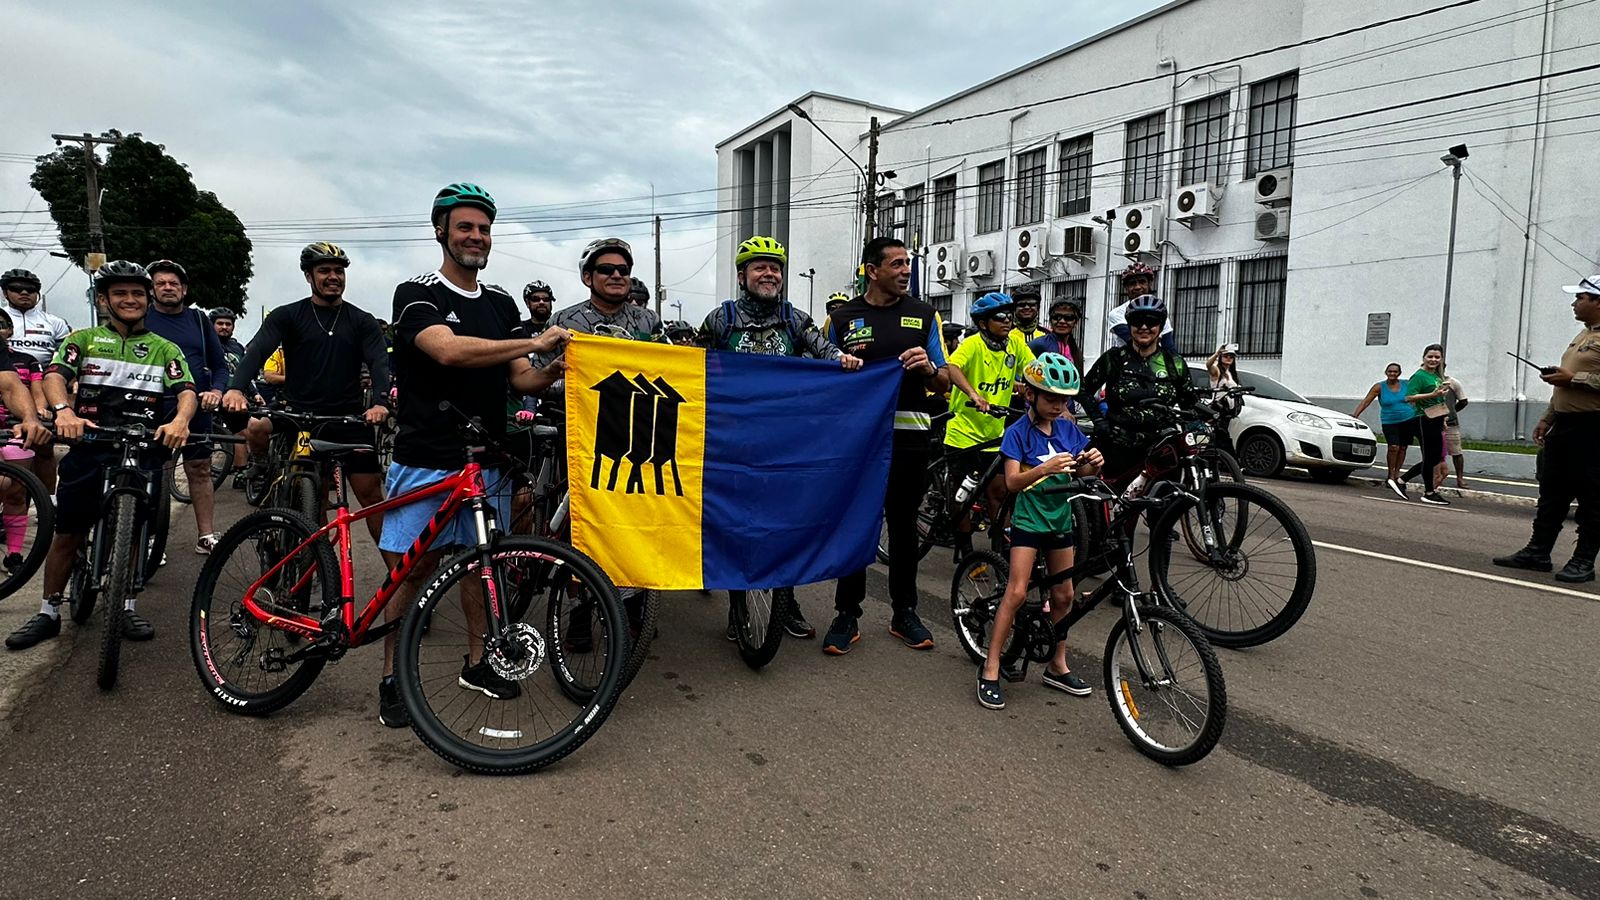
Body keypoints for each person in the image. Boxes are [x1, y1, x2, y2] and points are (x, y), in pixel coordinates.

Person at [376, 182, 568, 727]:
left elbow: (521, 380)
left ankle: (478, 662)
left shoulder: (502, 303)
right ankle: (392, 675)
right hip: (427, 455)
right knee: (412, 572)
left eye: (484, 229)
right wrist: (534, 341)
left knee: (482, 570)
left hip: (488, 460)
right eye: (465, 226)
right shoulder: (417, 292)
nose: (476, 237)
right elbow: (448, 350)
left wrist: (552, 370)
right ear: (442, 231)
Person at [4, 261, 192, 651]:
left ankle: (125, 604)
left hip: (141, 447)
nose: (130, 300)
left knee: (138, 527)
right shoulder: (84, 340)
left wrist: (181, 422)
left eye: (137, 293)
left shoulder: (164, 348)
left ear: (148, 299)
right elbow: (55, 375)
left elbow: (186, 390)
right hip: (91, 444)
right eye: (120, 293)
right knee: (68, 533)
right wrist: (63, 412)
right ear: (104, 300)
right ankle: (48, 612)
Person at [700, 235, 862, 641]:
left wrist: (843, 360)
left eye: (776, 268)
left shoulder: (795, 319)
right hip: (731, 443)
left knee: (784, 523)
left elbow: (824, 349)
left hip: (783, 443)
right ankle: (737, 605)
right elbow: (693, 367)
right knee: (735, 523)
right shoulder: (721, 320)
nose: (769, 273)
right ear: (742, 275)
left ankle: (785, 600)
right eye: (760, 266)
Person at [822, 236, 949, 654]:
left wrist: (929, 368)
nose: (905, 271)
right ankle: (846, 613)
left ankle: (905, 612)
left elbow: (943, 382)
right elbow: (821, 377)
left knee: (903, 526)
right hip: (857, 443)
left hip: (910, 439)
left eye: (907, 263)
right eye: (896, 264)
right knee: (856, 523)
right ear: (871, 271)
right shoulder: (841, 319)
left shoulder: (925, 315)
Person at [224, 243, 392, 539]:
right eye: (324, 270)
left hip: (348, 419)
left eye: (338, 271)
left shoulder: (362, 320)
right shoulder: (288, 316)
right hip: (299, 415)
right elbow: (258, 351)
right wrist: (236, 389)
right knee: (258, 429)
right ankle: (263, 467)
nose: (333, 277)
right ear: (308, 275)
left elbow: (379, 362)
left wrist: (379, 402)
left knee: (372, 498)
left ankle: (399, 581)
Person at [977, 353, 1102, 709]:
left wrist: (1092, 465)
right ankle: (991, 666)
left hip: (1061, 520)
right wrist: (1044, 469)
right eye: (1050, 398)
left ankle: (1057, 664)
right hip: (1029, 522)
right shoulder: (1017, 433)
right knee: (1016, 592)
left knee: (1064, 595)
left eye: (1063, 400)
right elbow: (1013, 482)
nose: (1058, 406)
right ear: (1030, 395)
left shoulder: (1067, 429)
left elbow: (1080, 474)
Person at [1494, 277, 1600, 583]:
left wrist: (1573, 379)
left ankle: (1583, 561)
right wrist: (1549, 416)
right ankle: (1537, 552)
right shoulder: (1583, 335)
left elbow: (1576, 380)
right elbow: (1566, 383)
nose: (1574, 303)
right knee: (1553, 493)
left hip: (1593, 429)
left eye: (1581, 297)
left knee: (1593, 497)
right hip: (1565, 426)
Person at [144, 259, 230, 554]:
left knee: (200, 468)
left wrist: (217, 392)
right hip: (155, 406)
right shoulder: (141, 318)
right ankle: (151, 537)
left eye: (174, 283)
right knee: (154, 470)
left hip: (198, 408)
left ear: (184, 289)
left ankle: (206, 535)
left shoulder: (198, 320)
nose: (168, 287)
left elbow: (220, 366)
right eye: (161, 283)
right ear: (152, 289)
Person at [1078, 295, 1202, 484]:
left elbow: (1189, 402)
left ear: (1160, 326)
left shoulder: (1174, 363)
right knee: (1118, 509)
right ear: (1129, 326)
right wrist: (1099, 421)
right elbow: (1084, 390)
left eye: (1151, 322)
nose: (1144, 327)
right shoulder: (1114, 358)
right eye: (1137, 321)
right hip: (1119, 447)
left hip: (1162, 450)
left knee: (1164, 508)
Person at [944, 291, 1032, 554]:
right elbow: (953, 368)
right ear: (983, 323)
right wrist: (973, 395)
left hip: (994, 436)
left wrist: (1035, 389)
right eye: (1000, 317)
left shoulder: (1014, 344)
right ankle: (965, 548)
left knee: (999, 494)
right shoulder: (972, 344)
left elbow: (1033, 367)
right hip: (963, 434)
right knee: (963, 497)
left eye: (1010, 316)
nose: (1008, 321)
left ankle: (1003, 552)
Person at [1, 267, 70, 495]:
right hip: (6, 384)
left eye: (30, 290)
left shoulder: (54, 322)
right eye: (16, 289)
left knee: (44, 449)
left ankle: (48, 500)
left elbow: (67, 359)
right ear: (5, 292)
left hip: (41, 386)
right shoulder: (2, 319)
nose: (24, 293)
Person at [0, 309, 51, 573]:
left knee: (14, 489)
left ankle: (14, 553)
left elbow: (10, 386)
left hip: (9, 428)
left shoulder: (22, 359)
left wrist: (32, 418)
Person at [544, 238, 663, 346]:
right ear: (588, 278)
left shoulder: (649, 320)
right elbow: (536, 369)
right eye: (606, 269)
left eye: (623, 270)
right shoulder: (561, 321)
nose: (617, 275)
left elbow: (668, 364)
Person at [1394, 344, 1450, 506]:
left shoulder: (1437, 376)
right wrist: (1432, 394)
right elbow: (1409, 397)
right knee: (1430, 457)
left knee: (1436, 457)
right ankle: (1429, 492)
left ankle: (1402, 480)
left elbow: (1438, 398)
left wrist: (1444, 419)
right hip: (1424, 419)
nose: (1433, 360)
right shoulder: (1419, 376)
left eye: (1437, 357)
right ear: (1423, 358)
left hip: (1437, 418)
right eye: (1430, 357)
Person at [1352, 362, 1417, 490]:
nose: (1392, 374)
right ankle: (1390, 475)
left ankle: (1397, 474)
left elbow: (1418, 396)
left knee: (1403, 447)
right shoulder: (1379, 387)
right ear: (1386, 372)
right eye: (1390, 371)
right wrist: (1356, 415)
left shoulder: (1406, 384)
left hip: (1408, 419)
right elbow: (1366, 401)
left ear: (1399, 373)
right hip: (1389, 421)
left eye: (1395, 372)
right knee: (1393, 447)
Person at [1106, 263, 1177, 352]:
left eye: (1142, 282)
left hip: (1157, 363)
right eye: (1132, 283)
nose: (1138, 287)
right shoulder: (1117, 313)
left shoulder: (1160, 313)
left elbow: (1169, 348)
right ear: (1125, 287)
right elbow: (1135, 342)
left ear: (1150, 284)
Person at [1434, 364, 1469, 490]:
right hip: (1432, 421)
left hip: (1450, 423)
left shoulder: (1453, 383)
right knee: (1434, 452)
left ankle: (1460, 478)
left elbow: (1463, 401)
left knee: (1456, 451)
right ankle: (1436, 476)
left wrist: (1451, 411)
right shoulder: (1426, 381)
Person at [1028, 298, 1082, 367]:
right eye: (1056, 317)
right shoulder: (1038, 345)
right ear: (1050, 320)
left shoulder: (1076, 352)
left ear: (1076, 322)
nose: (1062, 321)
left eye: (1068, 318)